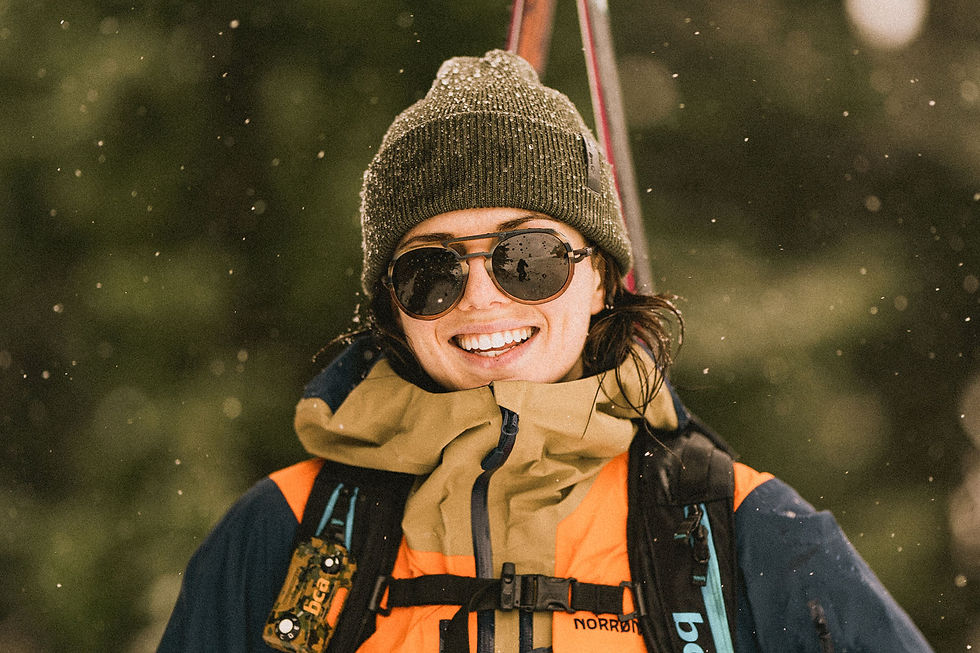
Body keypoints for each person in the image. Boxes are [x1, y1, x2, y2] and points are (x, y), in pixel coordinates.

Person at [159, 50, 933, 653]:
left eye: (525, 257)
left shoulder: (742, 529)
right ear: (391, 305)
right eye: (431, 271)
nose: (481, 298)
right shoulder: (285, 532)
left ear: (599, 276)